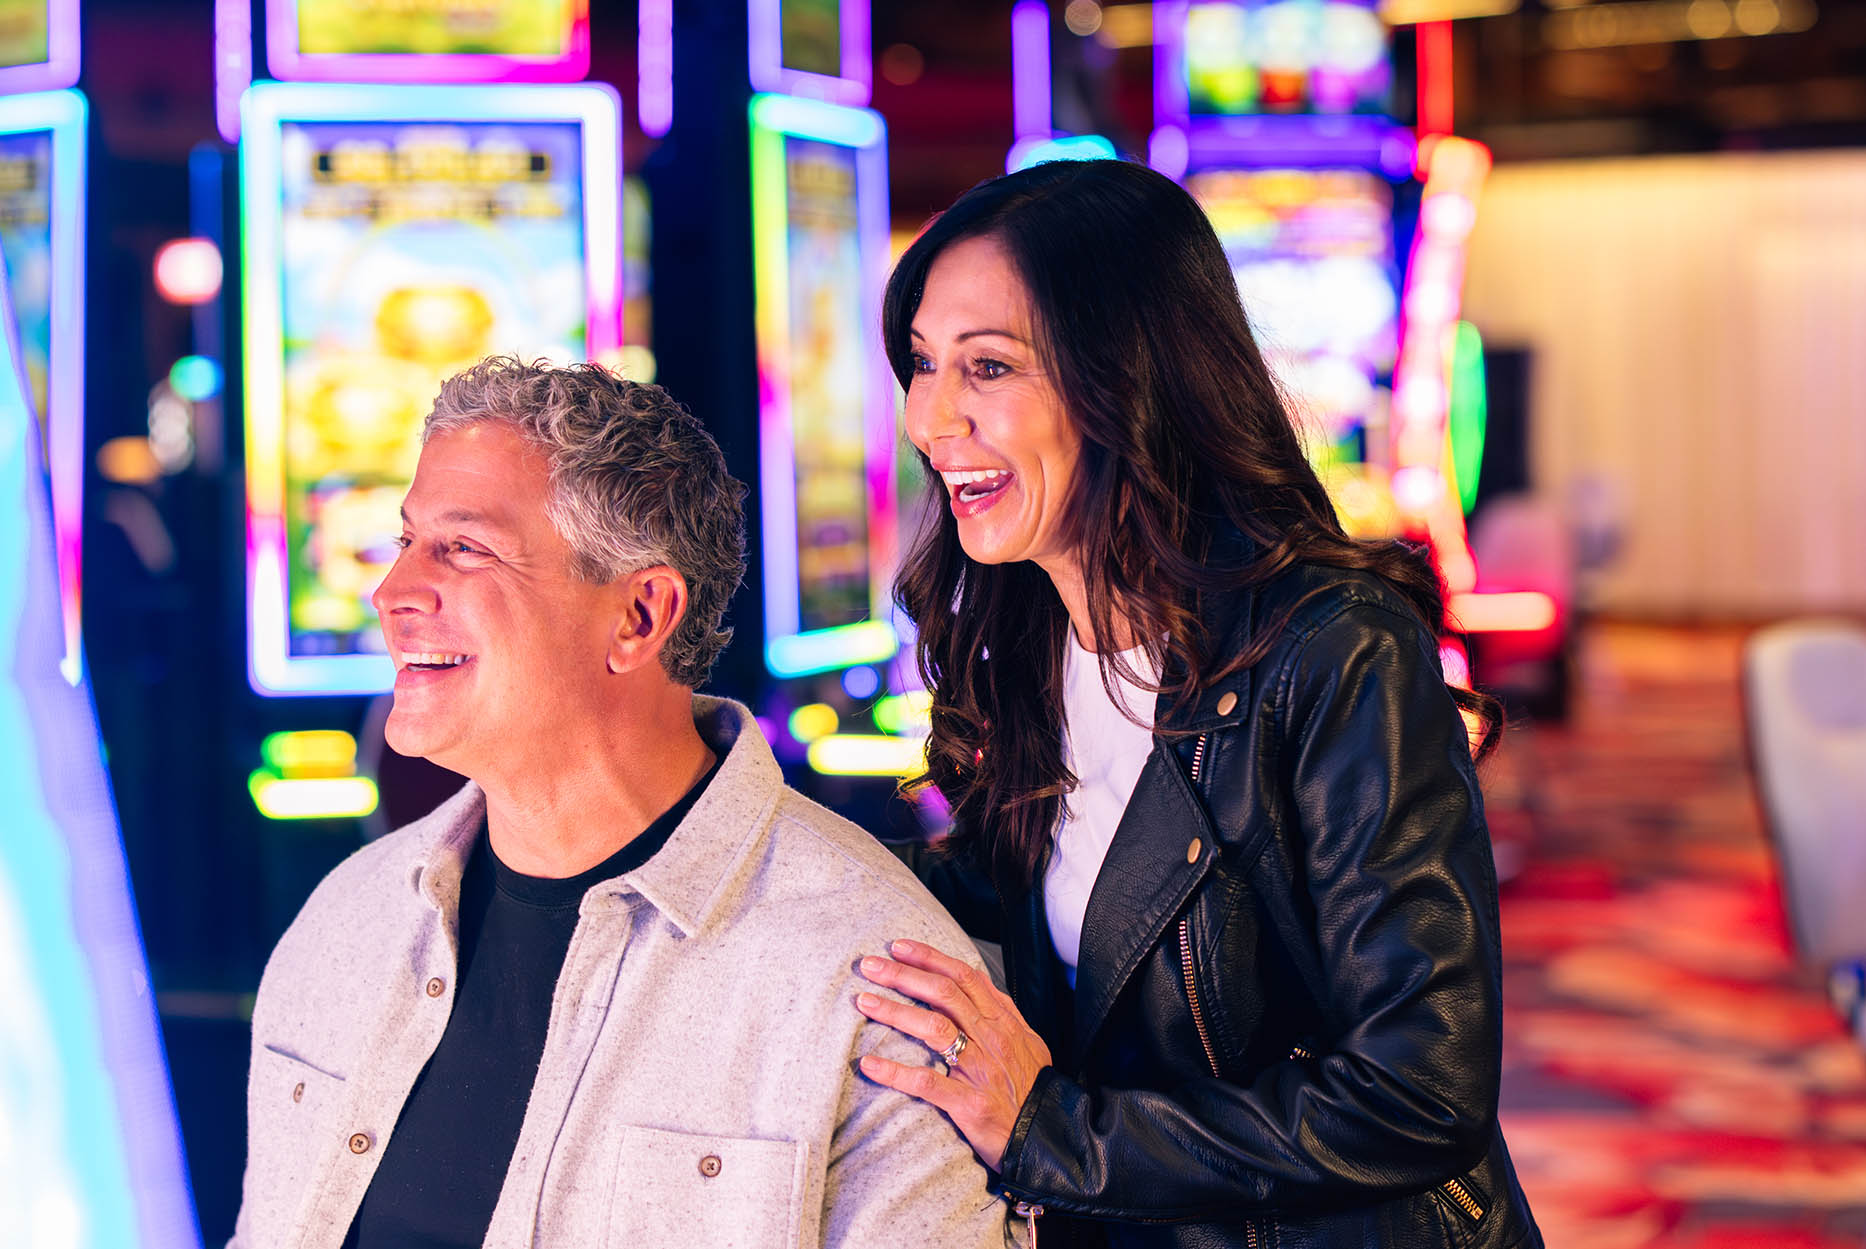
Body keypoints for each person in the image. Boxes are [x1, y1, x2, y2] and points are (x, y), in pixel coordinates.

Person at [849, 160, 1544, 1249]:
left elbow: (1420, 1092)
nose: (932, 416)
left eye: (988, 367)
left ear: (1126, 378)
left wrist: (1052, 1131)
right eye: (923, 364)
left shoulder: (1332, 646)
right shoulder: (1035, 635)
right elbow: (1029, 891)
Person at [228, 357, 1008, 1249]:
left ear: (639, 615)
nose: (392, 590)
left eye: (464, 547)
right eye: (406, 540)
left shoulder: (869, 979)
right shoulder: (346, 923)